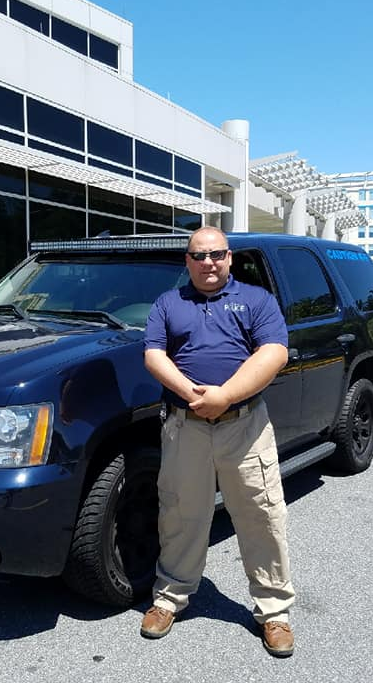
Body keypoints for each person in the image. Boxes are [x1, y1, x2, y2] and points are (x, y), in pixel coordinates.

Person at [140, 225, 296, 657]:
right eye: (199, 256)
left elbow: (274, 353)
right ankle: (169, 598)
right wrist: (193, 396)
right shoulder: (168, 304)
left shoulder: (258, 300)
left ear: (230, 258)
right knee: (179, 514)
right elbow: (154, 353)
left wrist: (225, 395)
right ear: (186, 261)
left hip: (244, 426)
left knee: (261, 515)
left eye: (217, 255)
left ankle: (275, 613)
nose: (208, 262)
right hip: (183, 425)